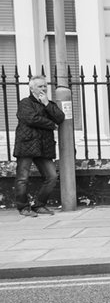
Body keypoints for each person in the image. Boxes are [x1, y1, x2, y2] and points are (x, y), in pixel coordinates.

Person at [13, 74, 64, 217]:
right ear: (32, 89)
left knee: (52, 176)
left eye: (45, 86)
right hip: (27, 145)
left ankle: (39, 205)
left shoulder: (49, 104)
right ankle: (23, 207)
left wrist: (47, 104)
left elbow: (60, 118)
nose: (43, 88)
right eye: (40, 86)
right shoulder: (25, 103)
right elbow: (30, 118)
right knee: (23, 178)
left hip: (44, 146)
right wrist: (50, 124)